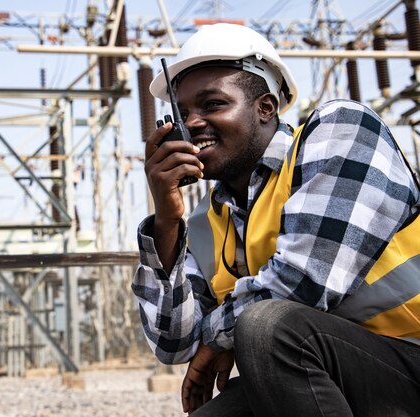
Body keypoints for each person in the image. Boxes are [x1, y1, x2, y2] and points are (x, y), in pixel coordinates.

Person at [132, 23, 420, 417]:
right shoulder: (203, 223)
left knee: (266, 325)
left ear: (265, 108)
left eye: (213, 104)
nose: (193, 123)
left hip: (409, 361)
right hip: (327, 371)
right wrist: (166, 221)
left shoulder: (342, 131)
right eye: (181, 114)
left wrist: (216, 338)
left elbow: (304, 280)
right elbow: (174, 343)